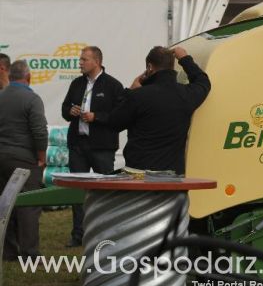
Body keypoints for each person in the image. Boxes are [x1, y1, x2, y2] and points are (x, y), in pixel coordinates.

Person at [97, 46, 210, 174]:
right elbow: (203, 82)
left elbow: (113, 123)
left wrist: (129, 92)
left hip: (139, 173)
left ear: (149, 67)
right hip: (173, 175)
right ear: (172, 66)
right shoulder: (186, 94)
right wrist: (185, 59)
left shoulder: (137, 96)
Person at [60, 46, 124, 247]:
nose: (80, 63)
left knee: (104, 192)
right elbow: (64, 110)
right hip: (78, 146)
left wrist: (97, 117)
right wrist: (70, 111)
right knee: (78, 191)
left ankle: (105, 234)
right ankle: (78, 235)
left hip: (102, 148)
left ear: (96, 61)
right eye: (80, 59)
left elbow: (120, 116)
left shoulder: (113, 85)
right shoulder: (77, 84)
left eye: (84, 59)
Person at [0, 60, 47, 260]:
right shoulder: (32, 99)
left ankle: (8, 251)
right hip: (24, 158)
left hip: (1, 157)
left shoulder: (1, 96)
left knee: (5, 204)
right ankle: (29, 253)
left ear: (10, 77)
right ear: (28, 78)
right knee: (29, 205)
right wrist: (41, 157)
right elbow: (39, 132)